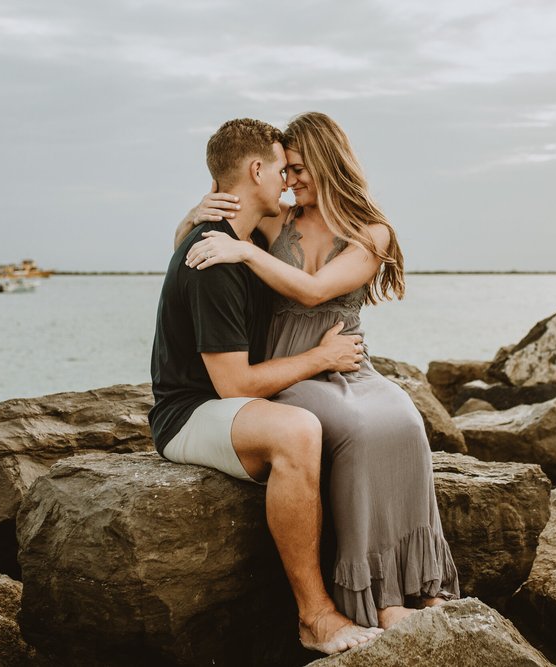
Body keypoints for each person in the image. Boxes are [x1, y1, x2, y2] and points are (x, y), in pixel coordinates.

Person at [176, 112, 459, 631]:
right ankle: (376, 595)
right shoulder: (274, 220)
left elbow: (313, 291)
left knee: (404, 421)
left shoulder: (371, 233)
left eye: (300, 168)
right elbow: (197, 240)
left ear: (329, 164)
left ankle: (422, 582)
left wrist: (244, 253)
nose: (290, 180)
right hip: (286, 368)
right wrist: (194, 213)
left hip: (350, 362)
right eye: (285, 170)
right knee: (356, 430)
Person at [149, 118, 383, 655]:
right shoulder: (214, 255)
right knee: (298, 431)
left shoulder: (240, 242)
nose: (288, 182)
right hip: (189, 413)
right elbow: (232, 385)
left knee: (350, 423)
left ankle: (379, 587)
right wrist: (321, 357)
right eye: (282, 169)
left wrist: (191, 214)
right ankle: (315, 616)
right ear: (256, 170)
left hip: (225, 405)